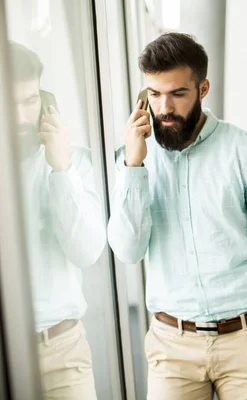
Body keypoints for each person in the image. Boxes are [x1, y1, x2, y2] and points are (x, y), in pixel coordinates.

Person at [107, 33, 247, 400]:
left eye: (177, 94)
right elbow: (127, 251)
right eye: (153, 93)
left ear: (203, 88)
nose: (163, 107)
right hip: (171, 347)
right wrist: (133, 165)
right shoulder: (135, 156)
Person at [11, 42, 106, 398]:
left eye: (30, 101)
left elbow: (87, 252)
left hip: (62, 352)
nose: (21, 116)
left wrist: (60, 169)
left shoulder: (74, 163)